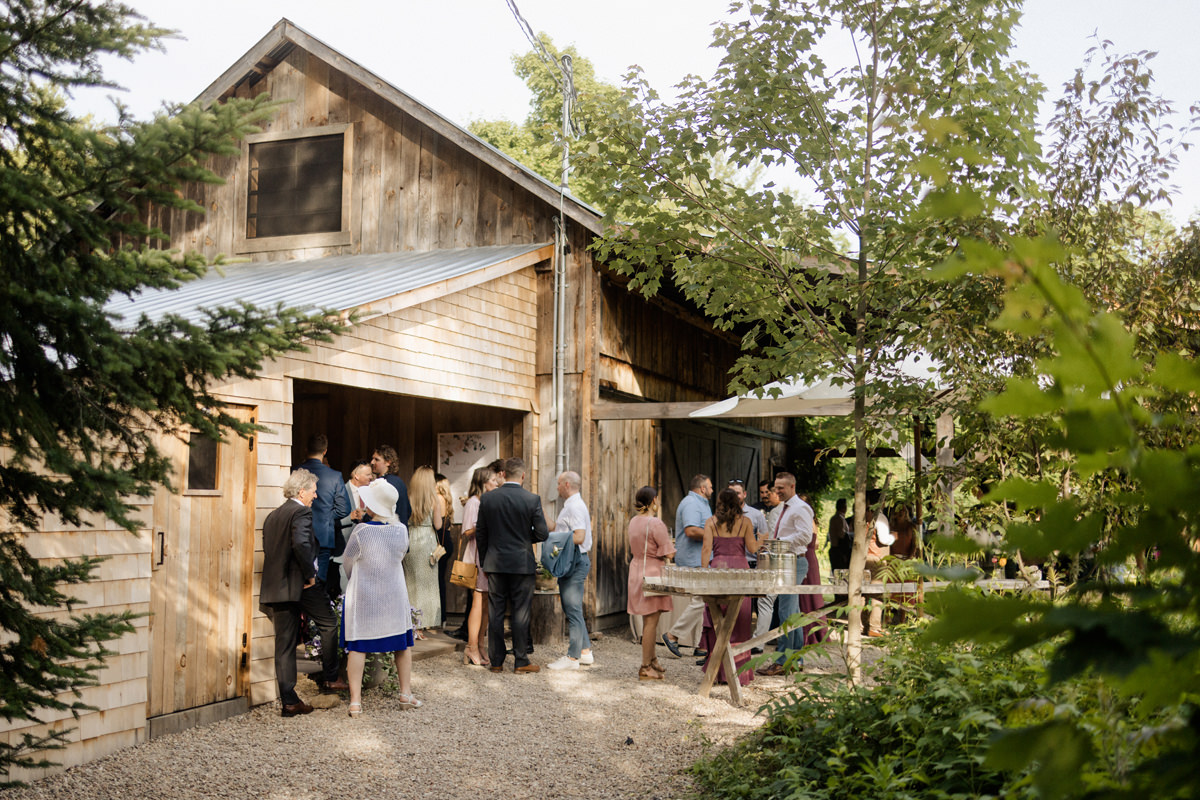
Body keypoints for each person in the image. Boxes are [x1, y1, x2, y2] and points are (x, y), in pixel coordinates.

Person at [259, 469, 346, 717]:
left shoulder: (273, 516)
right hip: (301, 584)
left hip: (277, 587)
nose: (315, 496)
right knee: (328, 623)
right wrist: (310, 575)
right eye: (313, 491)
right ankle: (331, 677)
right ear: (301, 492)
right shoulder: (301, 512)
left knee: (285, 644)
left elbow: (270, 549)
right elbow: (301, 543)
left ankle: (289, 701)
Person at [341, 478, 422, 716]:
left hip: (365, 597)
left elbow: (348, 562)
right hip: (393, 595)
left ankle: (355, 702)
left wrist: (357, 578)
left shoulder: (361, 531)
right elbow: (399, 556)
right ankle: (405, 693)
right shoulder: (401, 530)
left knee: (358, 646)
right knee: (402, 645)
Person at [476, 457, 549, 673]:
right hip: (521, 563)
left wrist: (484, 563)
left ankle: (496, 662)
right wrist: (524, 538)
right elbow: (543, 533)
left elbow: (481, 533)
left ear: (503, 474)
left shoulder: (488, 499)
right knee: (521, 611)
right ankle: (521, 661)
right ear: (523, 475)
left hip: (495, 563)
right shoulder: (532, 499)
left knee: (496, 612)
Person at [699, 488, 761, 686]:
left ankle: (718, 673)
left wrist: (703, 573)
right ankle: (739, 673)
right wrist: (762, 539)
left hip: (718, 569)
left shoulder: (711, 522)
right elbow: (752, 548)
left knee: (719, 618)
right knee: (740, 620)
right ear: (737, 503)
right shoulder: (746, 522)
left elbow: (706, 549)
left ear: (719, 503)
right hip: (740, 571)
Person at [757, 472, 814, 677]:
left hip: (794, 562)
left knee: (786, 613)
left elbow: (805, 536)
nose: (777, 491)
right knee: (792, 612)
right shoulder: (785, 508)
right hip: (785, 561)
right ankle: (795, 659)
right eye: (776, 488)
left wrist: (778, 542)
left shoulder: (800, 508)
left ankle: (782, 660)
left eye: (781, 488)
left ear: (792, 486)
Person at [547, 470, 595, 671]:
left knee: (573, 609)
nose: (557, 487)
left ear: (566, 484)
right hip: (575, 560)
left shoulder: (574, 507)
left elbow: (579, 536)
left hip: (575, 561)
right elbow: (558, 530)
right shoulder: (572, 505)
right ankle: (585, 651)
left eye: (559, 484)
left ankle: (572, 658)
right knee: (572, 608)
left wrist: (554, 542)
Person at [662, 474, 712, 660]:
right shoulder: (691, 503)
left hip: (700, 558)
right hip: (694, 559)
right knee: (702, 599)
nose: (712, 490)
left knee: (703, 601)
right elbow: (691, 530)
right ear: (702, 488)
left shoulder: (701, 503)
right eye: (710, 487)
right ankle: (673, 635)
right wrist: (716, 534)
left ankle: (701, 644)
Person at [626, 486, 674, 681]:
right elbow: (669, 553)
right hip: (652, 571)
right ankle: (645, 666)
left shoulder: (633, 521)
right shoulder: (655, 523)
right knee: (651, 622)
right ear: (654, 500)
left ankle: (652, 659)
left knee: (649, 620)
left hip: (637, 569)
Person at [293, 434, 351, 589]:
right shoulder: (334, 476)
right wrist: (327, 516)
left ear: (306, 450)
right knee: (318, 584)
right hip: (323, 536)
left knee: (297, 581)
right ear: (325, 451)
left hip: (297, 532)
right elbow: (344, 508)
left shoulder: (295, 472)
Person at [459, 466, 499, 666]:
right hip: (476, 556)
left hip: (487, 555)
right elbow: (466, 531)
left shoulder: (487, 502)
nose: (496, 483)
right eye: (493, 480)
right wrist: (484, 523)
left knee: (485, 604)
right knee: (477, 602)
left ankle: (481, 645)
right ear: (484, 482)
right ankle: (471, 646)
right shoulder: (473, 503)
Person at [402, 465, 444, 635]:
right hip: (427, 541)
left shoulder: (408, 497)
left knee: (410, 582)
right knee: (428, 585)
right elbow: (438, 525)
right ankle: (423, 623)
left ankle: (411, 623)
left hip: (411, 540)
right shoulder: (434, 500)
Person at [335, 461, 374, 590]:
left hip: (367, 551)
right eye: (368, 474)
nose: (371, 477)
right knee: (346, 589)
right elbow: (330, 520)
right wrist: (350, 517)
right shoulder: (340, 491)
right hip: (345, 550)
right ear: (356, 476)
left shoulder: (372, 492)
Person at [370, 444, 412, 524]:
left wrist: (364, 516)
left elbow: (379, 512)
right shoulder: (399, 481)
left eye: (377, 460)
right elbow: (408, 511)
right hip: (401, 528)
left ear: (388, 462)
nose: (372, 462)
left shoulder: (385, 484)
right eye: (372, 459)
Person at [433, 473, 455, 625]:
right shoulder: (446, 500)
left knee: (437, 580)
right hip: (446, 541)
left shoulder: (437, 499)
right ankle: (442, 617)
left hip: (439, 543)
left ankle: (440, 617)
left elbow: (437, 526)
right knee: (440, 579)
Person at [828, 497, 852, 571]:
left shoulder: (835, 518)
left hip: (836, 549)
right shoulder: (839, 519)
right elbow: (841, 535)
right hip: (839, 551)